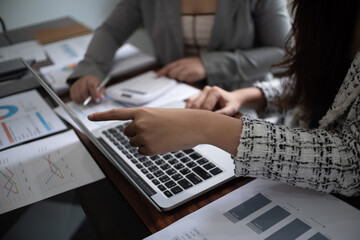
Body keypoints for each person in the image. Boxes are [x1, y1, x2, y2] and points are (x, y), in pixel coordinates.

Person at [88, 0, 360, 196]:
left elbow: (352, 162)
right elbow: (309, 81)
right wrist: (243, 96)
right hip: (208, 107)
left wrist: (203, 125)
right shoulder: (323, 10)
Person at [68, 0, 291, 104]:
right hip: (173, 94)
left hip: (242, 98)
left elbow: (284, 53)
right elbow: (111, 31)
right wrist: (92, 69)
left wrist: (208, 64)